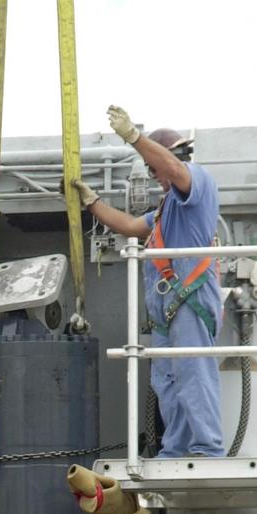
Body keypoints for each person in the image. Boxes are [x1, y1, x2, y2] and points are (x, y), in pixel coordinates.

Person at [73, 105, 223, 458]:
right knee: (168, 382)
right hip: (169, 312)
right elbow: (129, 226)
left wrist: (134, 138)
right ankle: (178, 447)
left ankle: (205, 448)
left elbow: (173, 169)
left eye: (156, 168)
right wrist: (92, 203)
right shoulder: (163, 211)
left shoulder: (195, 183)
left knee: (192, 374)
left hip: (191, 303)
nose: (155, 176)